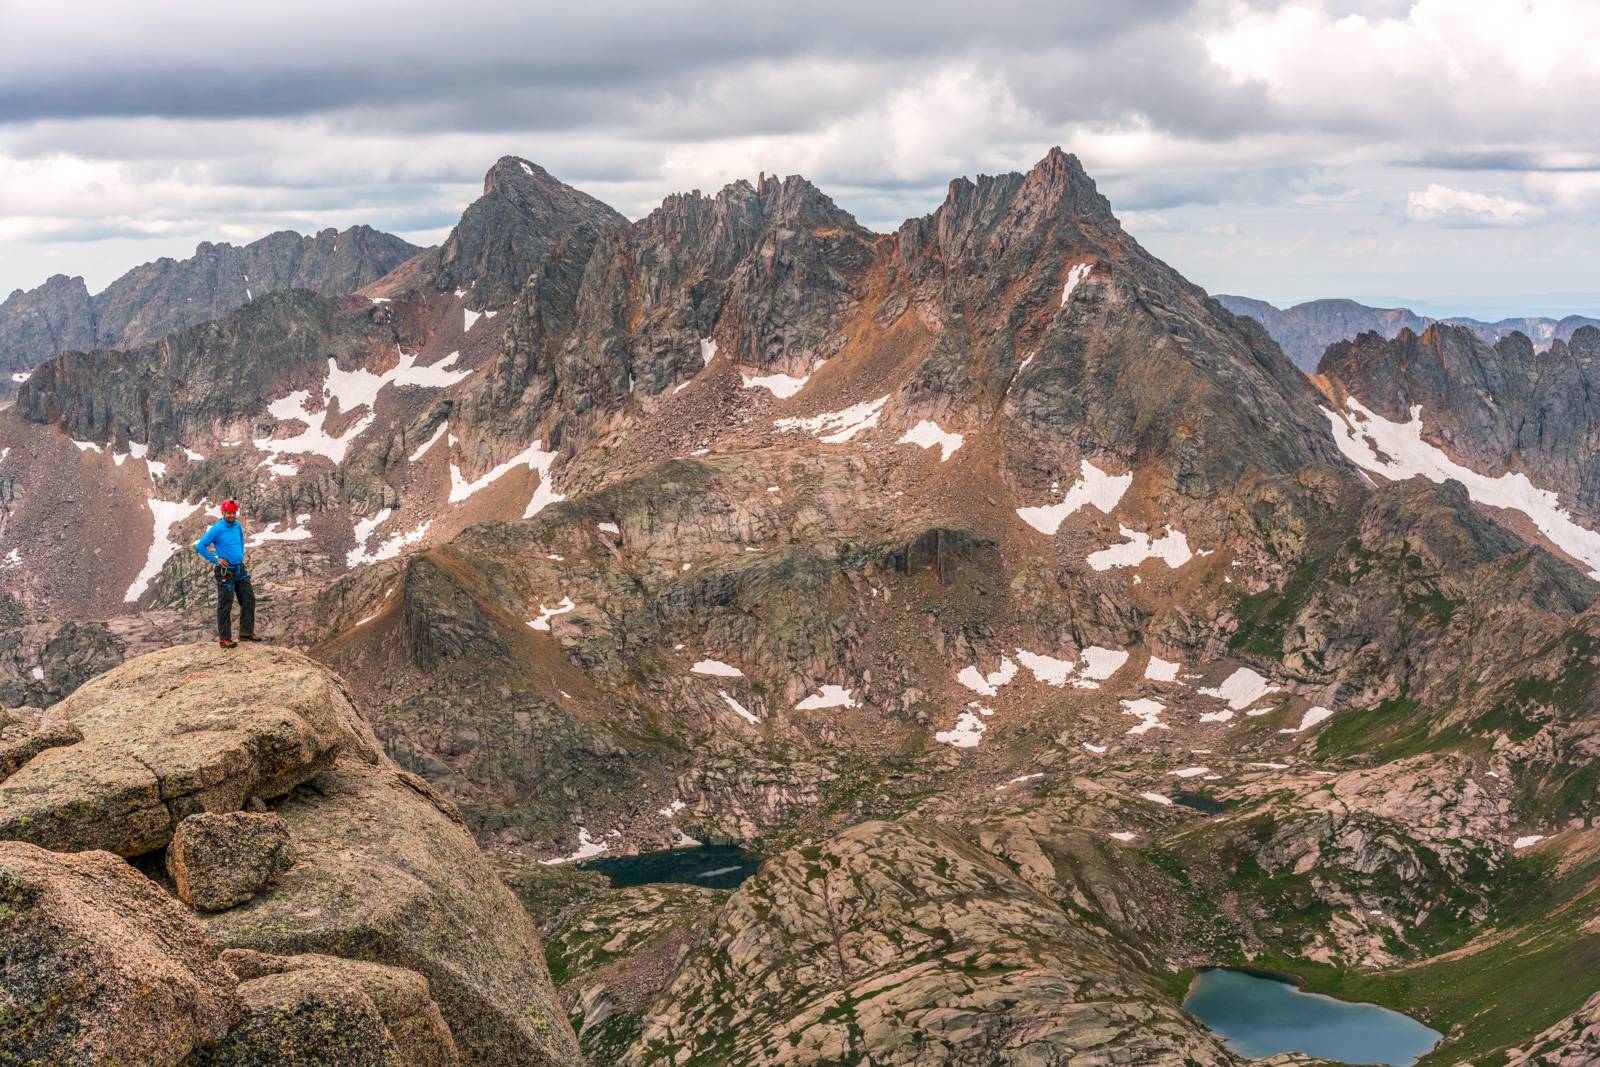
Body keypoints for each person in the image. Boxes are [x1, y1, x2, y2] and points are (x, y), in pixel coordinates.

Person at [194, 499, 259, 648]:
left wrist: (241, 553)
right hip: (225, 572)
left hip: (239, 569)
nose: (231, 515)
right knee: (225, 605)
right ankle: (224, 638)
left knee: (249, 599)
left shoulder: (237, 525)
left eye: (233, 513)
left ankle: (245, 633)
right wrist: (216, 560)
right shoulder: (217, 529)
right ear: (223, 513)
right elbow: (200, 546)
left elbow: (241, 538)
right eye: (229, 512)